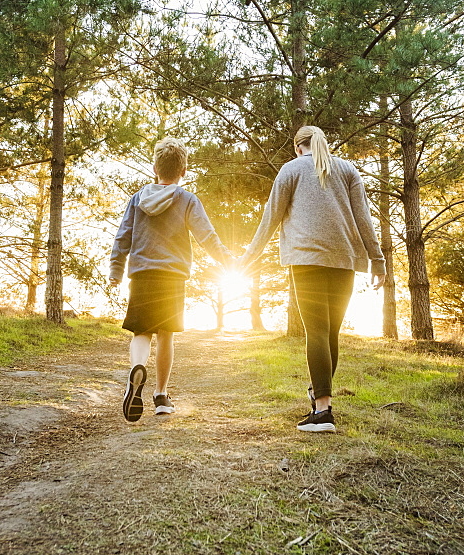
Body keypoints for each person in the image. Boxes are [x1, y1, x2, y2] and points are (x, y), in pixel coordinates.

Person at [240, 126, 385, 434]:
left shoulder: (291, 169)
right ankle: (320, 400)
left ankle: (322, 411)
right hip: (343, 261)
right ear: (323, 143)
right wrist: (378, 260)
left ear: (298, 147)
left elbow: (271, 218)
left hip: (306, 260)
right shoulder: (347, 169)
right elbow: (364, 218)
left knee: (317, 331)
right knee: (330, 333)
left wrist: (247, 258)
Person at [109, 136, 232, 422]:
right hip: (172, 277)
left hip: (141, 273)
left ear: (155, 169)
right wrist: (228, 260)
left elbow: (122, 237)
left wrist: (116, 270)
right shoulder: (187, 200)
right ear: (183, 171)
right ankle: (161, 396)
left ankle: (137, 369)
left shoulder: (138, 199)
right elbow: (207, 237)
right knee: (166, 334)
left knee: (141, 332)